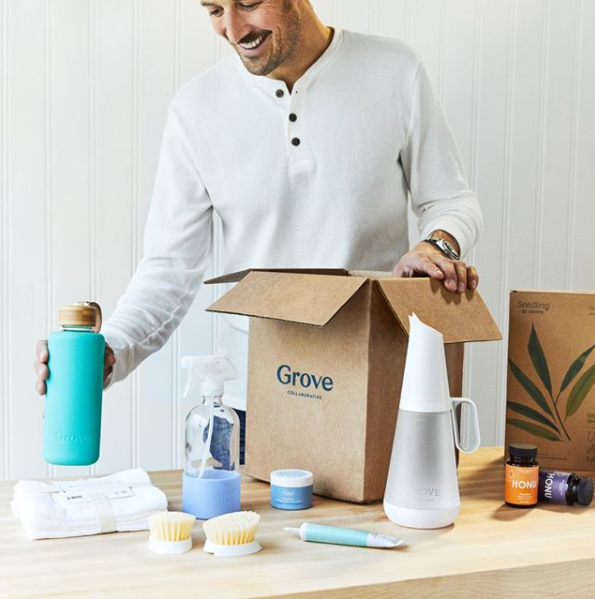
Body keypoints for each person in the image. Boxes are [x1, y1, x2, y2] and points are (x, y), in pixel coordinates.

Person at [34, 0, 482, 461]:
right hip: (254, 409)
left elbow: (451, 200)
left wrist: (436, 246)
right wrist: (112, 348)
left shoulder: (394, 70)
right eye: (214, 9)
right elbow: (168, 270)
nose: (232, 28)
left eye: (247, 3)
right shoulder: (196, 110)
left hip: (380, 389)